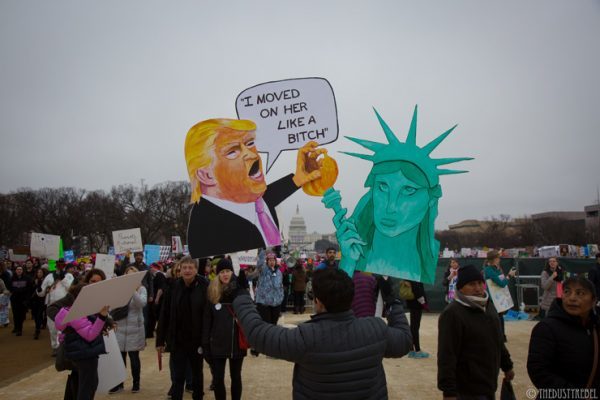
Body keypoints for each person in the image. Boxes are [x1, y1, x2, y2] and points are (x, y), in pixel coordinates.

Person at [321, 107, 472, 282]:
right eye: (383, 187)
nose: (390, 206)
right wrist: (347, 262)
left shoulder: (425, 264)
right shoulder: (354, 255)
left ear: (431, 201)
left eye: (409, 190)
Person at [233, 267, 412, 399]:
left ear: (318, 302)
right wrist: (393, 302)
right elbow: (405, 341)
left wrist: (241, 296)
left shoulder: (305, 337)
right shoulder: (375, 329)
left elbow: (257, 333)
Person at [184, 118, 325, 258]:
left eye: (250, 143)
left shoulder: (255, 202)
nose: (252, 154)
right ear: (206, 175)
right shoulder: (206, 229)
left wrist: (297, 179)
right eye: (232, 152)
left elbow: (269, 196)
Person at [437, 264, 514, 399]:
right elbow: (446, 355)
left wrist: (507, 365)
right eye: (471, 284)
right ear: (460, 287)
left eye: (480, 283)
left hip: (489, 385)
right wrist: (449, 392)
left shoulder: (488, 306)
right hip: (466, 390)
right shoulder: (452, 313)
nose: (478, 288)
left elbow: (497, 340)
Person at [527, 276, 599, 391]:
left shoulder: (595, 328)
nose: (572, 298)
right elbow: (538, 371)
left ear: (593, 301)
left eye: (580, 293)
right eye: (567, 292)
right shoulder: (546, 328)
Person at [156, 256, 208, 400]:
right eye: (184, 267)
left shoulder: (204, 285)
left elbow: (208, 315)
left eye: (190, 267)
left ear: (196, 270)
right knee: (178, 377)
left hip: (197, 340)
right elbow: (164, 314)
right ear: (180, 269)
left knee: (197, 376)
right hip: (177, 340)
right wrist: (160, 340)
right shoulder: (173, 286)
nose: (187, 270)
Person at [55, 282, 110, 400]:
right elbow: (90, 335)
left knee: (88, 384)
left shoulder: (69, 310)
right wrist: (102, 317)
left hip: (80, 353)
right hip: (85, 354)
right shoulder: (77, 313)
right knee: (88, 387)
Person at [203, 258, 247, 400]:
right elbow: (207, 320)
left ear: (232, 272)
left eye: (228, 271)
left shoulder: (240, 289)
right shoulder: (212, 292)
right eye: (222, 272)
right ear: (218, 274)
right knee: (218, 378)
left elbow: (248, 314)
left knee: (236, 377)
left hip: (236, 342)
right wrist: (206, 343)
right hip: (217, 342)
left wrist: (242, 285)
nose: (225, 274)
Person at [109, 266, 147, 394]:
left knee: (134, 358)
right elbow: (111, 307)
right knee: (119, 359)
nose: (130, 277)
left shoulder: (141, 289)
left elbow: (141, 304)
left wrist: (132, 291)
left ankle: (136, 383)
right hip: (119, 328)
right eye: (128, 275)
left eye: (133, 275)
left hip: (134, 329)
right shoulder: (119, 290)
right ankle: (118, 383)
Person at [41, 262, 75, 355]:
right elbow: (42, 291)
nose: (60, 268)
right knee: (52, 328)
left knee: (64, 327)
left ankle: (64, 346)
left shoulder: (68, 276)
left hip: (65, 306)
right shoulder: (49, 276)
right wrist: (42, 289)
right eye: (58, 266)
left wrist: (62, 278)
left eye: (62, 266)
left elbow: (70, 287)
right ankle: (55, 346)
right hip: (52, 306)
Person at [245, 251, 284, 331]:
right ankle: (266, 341)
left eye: (273, 260)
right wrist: (262, 251)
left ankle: (272, 340)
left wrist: (281, 297)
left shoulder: (279, 272)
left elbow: (279, 285)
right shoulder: (262, 270)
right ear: (267, 261)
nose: (271, 262)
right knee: (266, 324)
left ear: (275, 261)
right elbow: (258, 266)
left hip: (276, 302)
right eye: (269, 260)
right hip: (264, 302)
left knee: (274, 324)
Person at [482, 250, 516, 340]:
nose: (499, 259)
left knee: (499, 317)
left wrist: (507, 276)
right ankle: (498, 336)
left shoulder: (496, 268)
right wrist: (509, 275)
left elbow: (502, 281)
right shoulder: (488, 270)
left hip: (498, 298)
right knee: (495, 318)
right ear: (494, 259)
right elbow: (502, 283)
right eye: (498, 258)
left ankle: (501, 336)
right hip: (492, 299)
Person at [404, 280, 430, 359]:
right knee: (415, 328)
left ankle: (411, 350)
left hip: (412, 304)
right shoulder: (415, 278)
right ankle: (417, 351)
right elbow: (418, 292)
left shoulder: (410, 277)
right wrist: (424, 303)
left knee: (413, 327)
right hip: (416, 305)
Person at [10, 265, 32, 336]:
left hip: (23, 300)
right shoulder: (12, 278)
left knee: (21, 315)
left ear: (22, 271)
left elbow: (29, 289)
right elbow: (10, 288)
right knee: (15, 314)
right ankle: (17, 328)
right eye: (17, 269)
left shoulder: (27, 278)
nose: (19, 270)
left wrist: (27, 300)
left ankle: (19, 328)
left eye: (20, 269)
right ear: (15, 271)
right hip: (14, 300)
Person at [31, 267, 47, 339]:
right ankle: (38, 326)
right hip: (34, 300)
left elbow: (41, 291)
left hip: (42, 300)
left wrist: (38, 284)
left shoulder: (45, 281)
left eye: (40, 272)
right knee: (35, 315)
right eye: (38, 272)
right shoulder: (34, 280)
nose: (39, 274)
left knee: (39, 314)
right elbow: (31, 289)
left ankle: (37, 330)